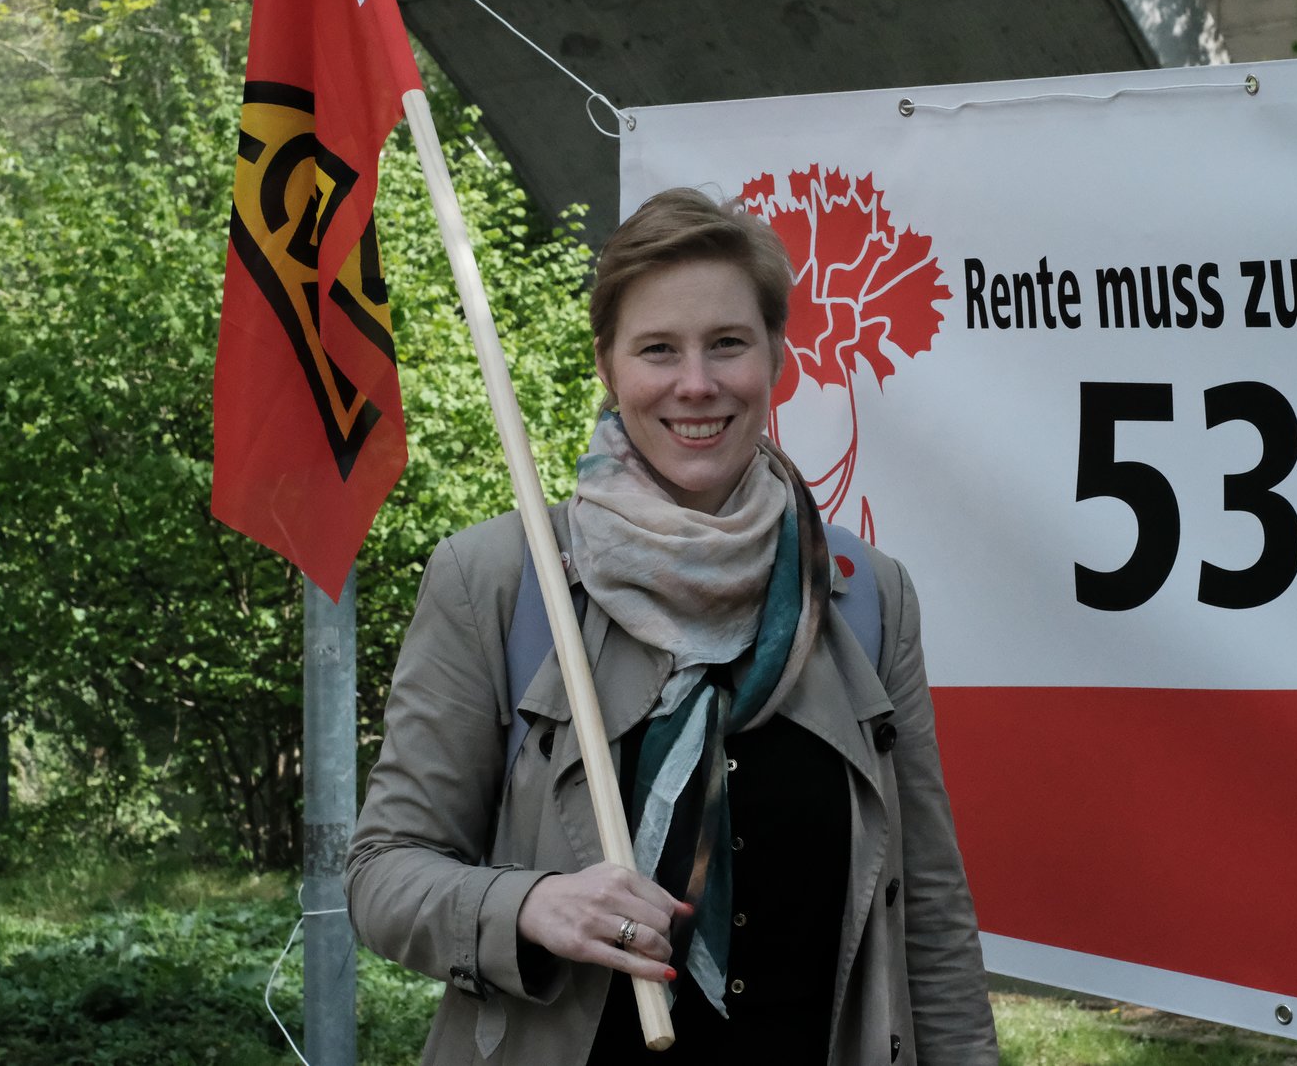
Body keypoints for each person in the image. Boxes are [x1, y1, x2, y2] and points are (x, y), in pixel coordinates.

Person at [346, 187, 997, 1065]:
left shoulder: (862, 596)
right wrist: (529, 905)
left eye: (728, 343)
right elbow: (384, 872)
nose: (697, 383)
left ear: (776, 353)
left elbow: (931, 915)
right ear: (609, 366)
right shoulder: (503, 581)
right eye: (658, 349)